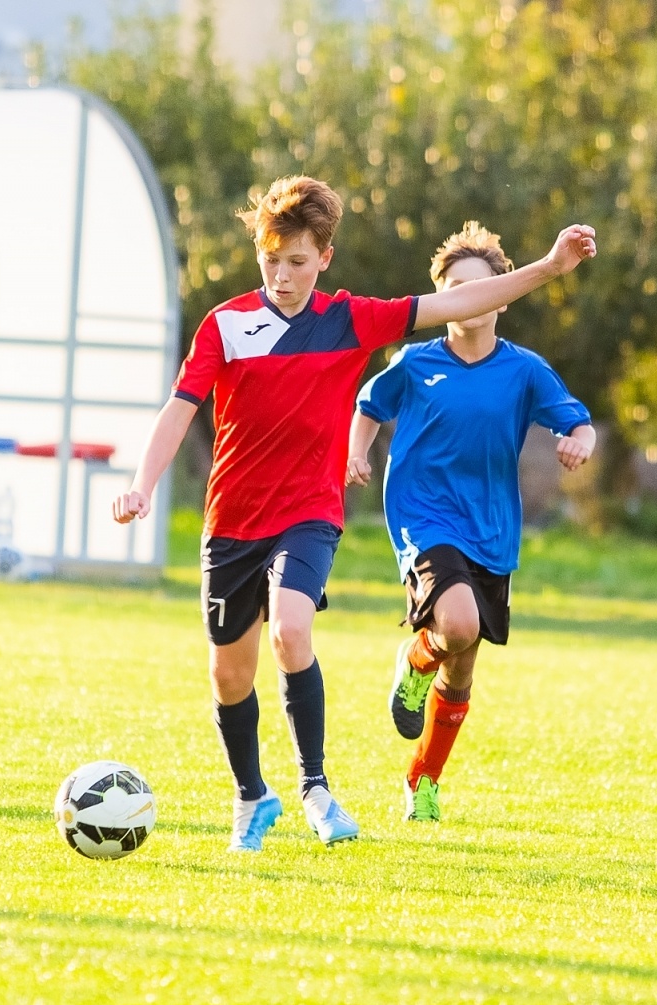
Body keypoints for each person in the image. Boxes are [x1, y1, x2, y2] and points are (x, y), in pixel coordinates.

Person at [113, 177, 596, 851]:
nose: (282, 277)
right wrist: (142, 484)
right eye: (271, 260)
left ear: (325, 259)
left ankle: (315, 787)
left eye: (298, 262)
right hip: (231, 520)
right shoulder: (225, 325)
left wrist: (547, 268)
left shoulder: (352, 321)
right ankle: (252, 797)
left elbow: (458, 301)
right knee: (229, 675)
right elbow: (180, 409)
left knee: (290, 630)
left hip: (308, 512)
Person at [347, 221, 596, 824]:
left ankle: (422, 781)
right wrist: (357, 450)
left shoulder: (524, 370)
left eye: (476, 287)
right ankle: (415, 660)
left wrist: (580, 441)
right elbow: (369, 406)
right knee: (457, 625)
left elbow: (576, 420)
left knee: (461, 671)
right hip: (424, 515)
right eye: (453, 287)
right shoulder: (415, 361)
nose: (464, 298)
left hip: (491, 530)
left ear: (501, 297)